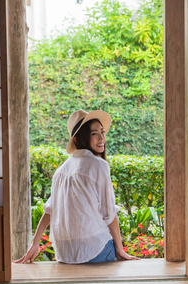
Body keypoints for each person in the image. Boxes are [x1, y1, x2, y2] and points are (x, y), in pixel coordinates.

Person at [14, 109, 138, 264]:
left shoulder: (62, 169)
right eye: (94, 134)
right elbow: (109, 213)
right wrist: (120, 249)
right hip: (93, 251)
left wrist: (34, 244)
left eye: (102, 132)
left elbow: (49, 210)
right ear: (79, 139)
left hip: (64, 254)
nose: (102, 138)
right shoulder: (98, 165)